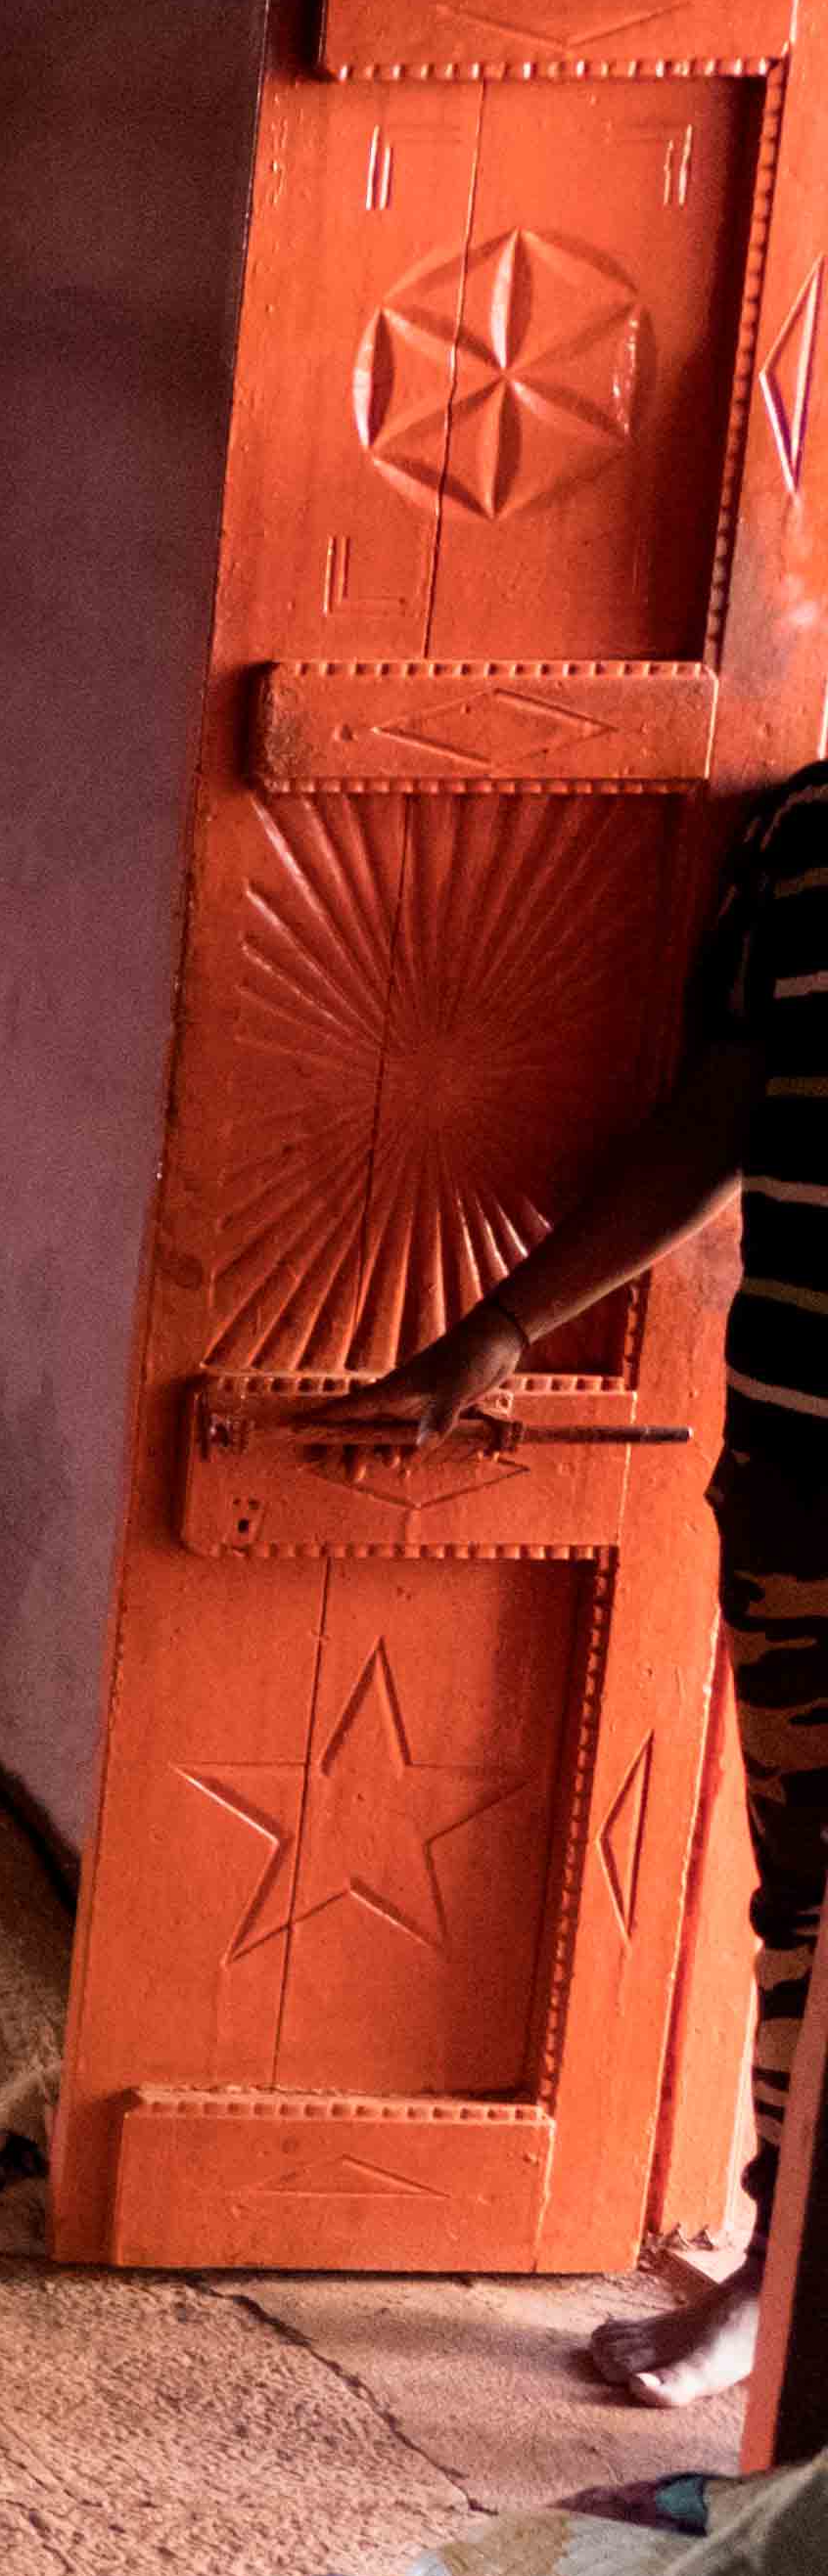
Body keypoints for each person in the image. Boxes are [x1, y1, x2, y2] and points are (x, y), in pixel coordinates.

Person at [327, 760, 828, 2403]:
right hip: (806, 1476)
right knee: (811, 1908)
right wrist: (502, 1325)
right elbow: (716, 1117)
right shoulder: (803, 834)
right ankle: (780, 2277)